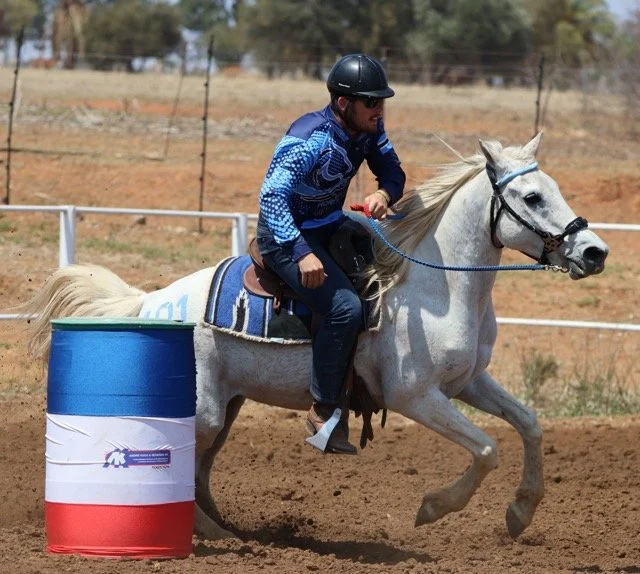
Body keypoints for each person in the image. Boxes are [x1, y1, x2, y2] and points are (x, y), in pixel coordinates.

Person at [256, 53, 406, 454]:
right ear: (343, 103)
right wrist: (301, 252)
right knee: (344, 308)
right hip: (284, 237)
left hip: (328, 225)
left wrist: (383, 193)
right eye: (371, 102)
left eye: (381, 101)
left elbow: (393, 172)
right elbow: (271, 197)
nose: (379, 109)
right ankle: (323, 410)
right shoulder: (310, 138)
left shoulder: (370, 129)